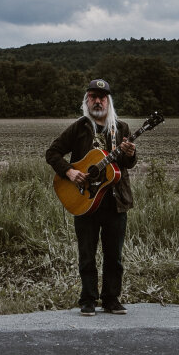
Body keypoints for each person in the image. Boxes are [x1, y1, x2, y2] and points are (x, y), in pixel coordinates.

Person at [46, 79, 137, 316]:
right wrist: (69, 171)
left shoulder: (122, 128)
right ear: (87, 100)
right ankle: (87, 300)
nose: (98, 101)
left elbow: (127, 164)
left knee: (114, 256)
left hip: (115, 202)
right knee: (87, 254)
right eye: (93, 96)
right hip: (84, 200)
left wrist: (131, 153)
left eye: (102, 97)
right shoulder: (79, 128)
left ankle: (111, 299)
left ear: (108, 101)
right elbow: (52, 153)